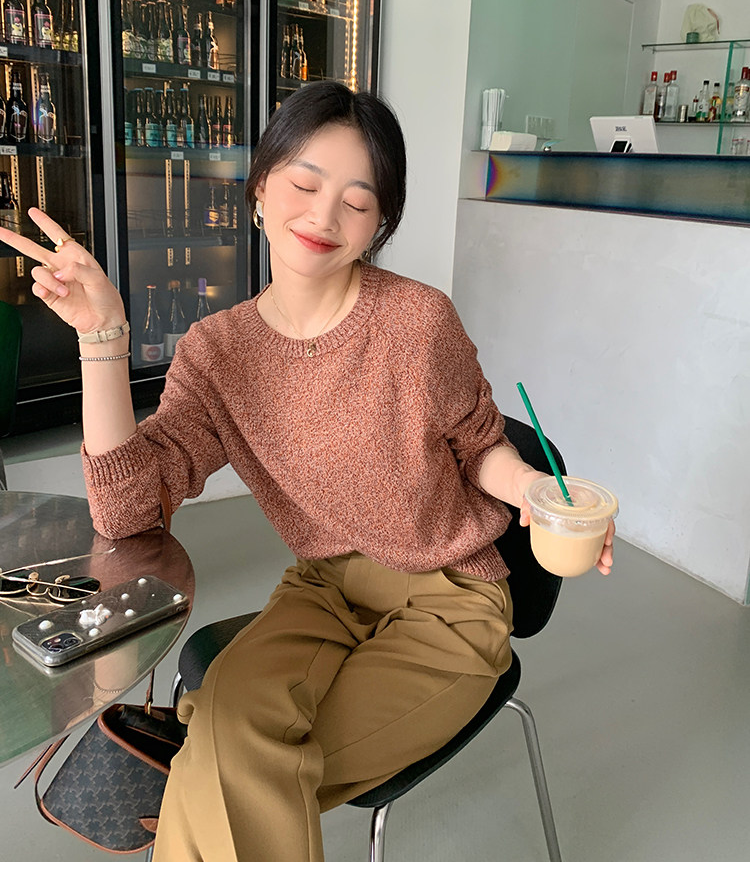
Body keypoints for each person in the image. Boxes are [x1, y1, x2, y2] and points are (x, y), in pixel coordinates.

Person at [0, 81, 613, 861]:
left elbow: (479, 444)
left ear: (379, 224)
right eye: (304, 183)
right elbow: (125, 513)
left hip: (453, 600)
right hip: (324, 591)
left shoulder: (417, 321)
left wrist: (531, 488)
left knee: (222, 765)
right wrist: (103, 339)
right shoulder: (218, 353)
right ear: (260, 187)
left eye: (357, 202)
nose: (324, 217)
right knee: (232, 755)